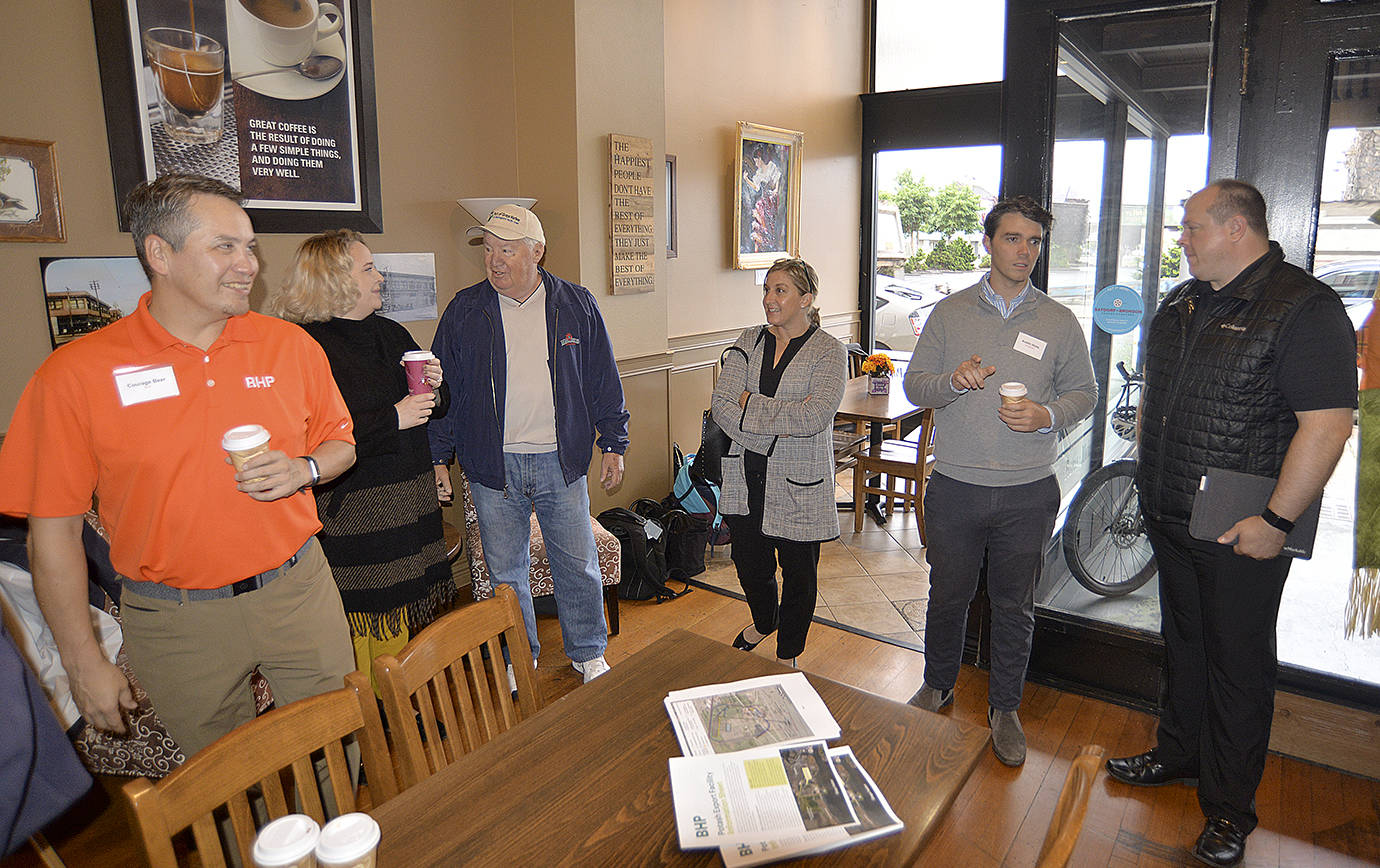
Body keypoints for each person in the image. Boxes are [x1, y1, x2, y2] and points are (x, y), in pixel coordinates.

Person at [0, 174, 357, 757]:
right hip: (175, 622)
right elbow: (52, 533)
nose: (249, 266)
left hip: (299, 590)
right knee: (227, 785)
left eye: (250, 247)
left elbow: (340, 442)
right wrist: (82, 659)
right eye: (225, 247)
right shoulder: (75, 376)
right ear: (159, 253)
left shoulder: (289, 346)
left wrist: (304, 470)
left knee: (338, 746)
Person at [1107, 180, 1355, 868]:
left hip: (1244, 529)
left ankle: (1228, 811)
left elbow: (1328, 426)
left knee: (1238, 668)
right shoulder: (1184, 302)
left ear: (1236, 228)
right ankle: (1178, 754)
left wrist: (1277, 519)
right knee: (1183, 645)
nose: (1180, 239)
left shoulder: (1304, 307)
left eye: (1190, 227)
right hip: (1173, 514)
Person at [902, 196, 1096, 767]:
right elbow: (915, 386)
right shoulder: (949, 313)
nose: (1024, 251)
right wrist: (952, 382)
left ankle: (1005, 707)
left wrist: (1047, 415)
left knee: (1015, 605)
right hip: (957, 486)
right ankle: (938, 685)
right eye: (1012, 238)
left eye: (1033, 241)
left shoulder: (1058, 320)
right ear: (988, 243)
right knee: (948, 595)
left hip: (1028, 490)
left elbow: (1083, 393)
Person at [430, 204, 628, 683]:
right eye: (490, 249)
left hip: (560, 462)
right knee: (505, 573)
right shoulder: (464, 310)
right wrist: (438, 457)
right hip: (492, 466)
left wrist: (614, 442)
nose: (495, 261)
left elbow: (603, 377)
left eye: (508, 250)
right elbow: (443, 392)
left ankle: (587, 651)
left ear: (537, 252)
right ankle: (519, 656)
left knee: (578, 564)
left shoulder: (575, 304)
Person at [264, 230, 457, 683]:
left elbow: (433, 409)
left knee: (410, 620)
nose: (381, 276)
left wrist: (436, 383)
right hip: (356, 514)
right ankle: (375, 719)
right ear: (335, 279)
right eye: (368, 268)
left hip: (410, 505)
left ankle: (411, 704)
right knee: (365, 628)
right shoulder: (304, 345)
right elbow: (314, 437)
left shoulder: (391, 333)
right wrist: (394, 417)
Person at [710, 257, 845, 667]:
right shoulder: (748, 340)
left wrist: (750, 404)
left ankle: (788, 654)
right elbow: (721, 405)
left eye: (780, 290)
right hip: (745, 476)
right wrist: (774, 418)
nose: (769, 299)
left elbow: (812, 417)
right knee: (749, 564)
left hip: (799, 481)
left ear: (806, 299)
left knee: (799, 576)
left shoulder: (829, 351)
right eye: (767, 289)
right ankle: (764, 621)